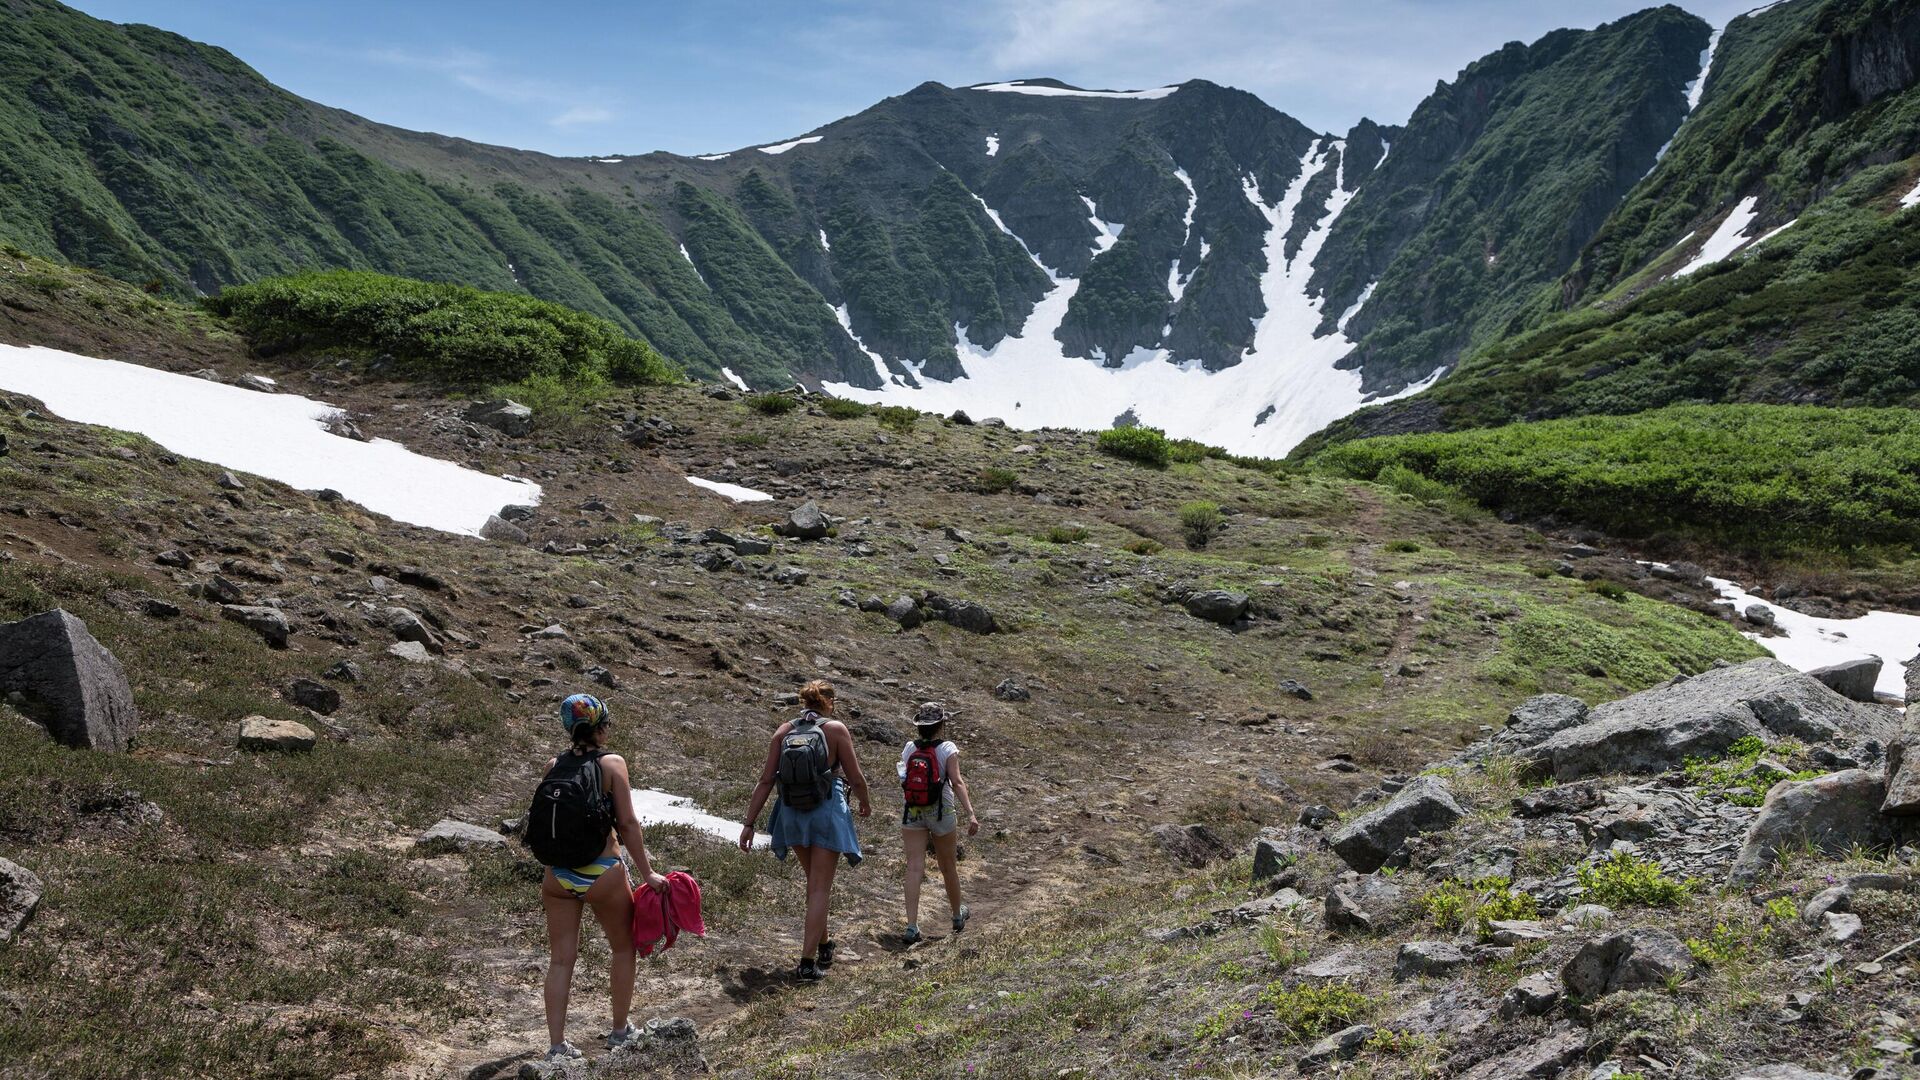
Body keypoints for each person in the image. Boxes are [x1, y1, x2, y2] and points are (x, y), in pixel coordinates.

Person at [532, 694, 670, 1062]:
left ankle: (557, 1045)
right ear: (599, 727)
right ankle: (620, 1031)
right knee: (622, 948)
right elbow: (626, 823)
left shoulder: (552, 765)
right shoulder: (612, 763)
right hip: (602, 874)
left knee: (561, 960)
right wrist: (648, 873)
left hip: (557, 876)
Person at [738, 679, 872, 981]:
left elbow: (765, 780)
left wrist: (749, 823)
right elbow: (856, 776)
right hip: (826, 810)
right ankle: (807, 962)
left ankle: (824, 945)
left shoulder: (784, 731)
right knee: (820, 887)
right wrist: (864, 801)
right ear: (830, 702)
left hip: (791, 813)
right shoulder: (836, 729)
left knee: (813, 882)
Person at [896, 702, 979, 944]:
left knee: (914, 867)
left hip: (912, 810)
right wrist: (971, 813)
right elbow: (957, 781)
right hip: (941, 811)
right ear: (941, 725)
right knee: (948, 866)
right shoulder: (947, 748)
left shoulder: (909, 747)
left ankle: (911, 926)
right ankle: (956, 915)